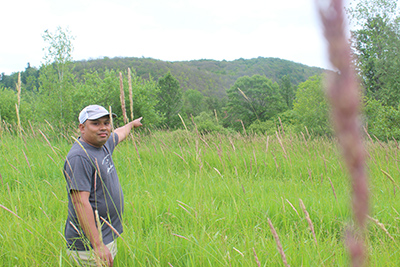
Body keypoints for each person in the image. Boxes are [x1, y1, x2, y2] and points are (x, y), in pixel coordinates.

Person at [63, 104, 142, 266]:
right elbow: (80, 202)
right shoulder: (80, 157)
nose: (103, 128)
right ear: (82, 128)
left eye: (106, 123)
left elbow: (120, 133)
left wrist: (131, 124)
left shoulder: (103, 145)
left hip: (105, 237)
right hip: (89, 246)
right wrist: (98, 245)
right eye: (96, 123)